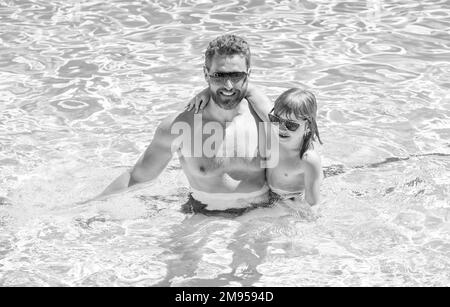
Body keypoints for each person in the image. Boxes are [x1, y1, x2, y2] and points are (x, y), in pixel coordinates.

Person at [98, 34, 273, 215]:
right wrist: (91, 208)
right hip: (203, 219)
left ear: (248, 74)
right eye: (219, 76)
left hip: (257, 218)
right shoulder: (181, 126)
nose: (228, 85)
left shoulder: (267, 120)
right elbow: (137, 177)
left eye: (236, 76)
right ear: (206, 74)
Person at [187, 86, 323, 206]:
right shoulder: (272, 127)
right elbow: (246, 88)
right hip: (268, 195)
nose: (282, 128)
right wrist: (207, 93)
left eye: (291, 125)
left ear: (308, 126)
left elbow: (312, 205)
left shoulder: (307, 159)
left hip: (290, 200)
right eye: (276, 119)